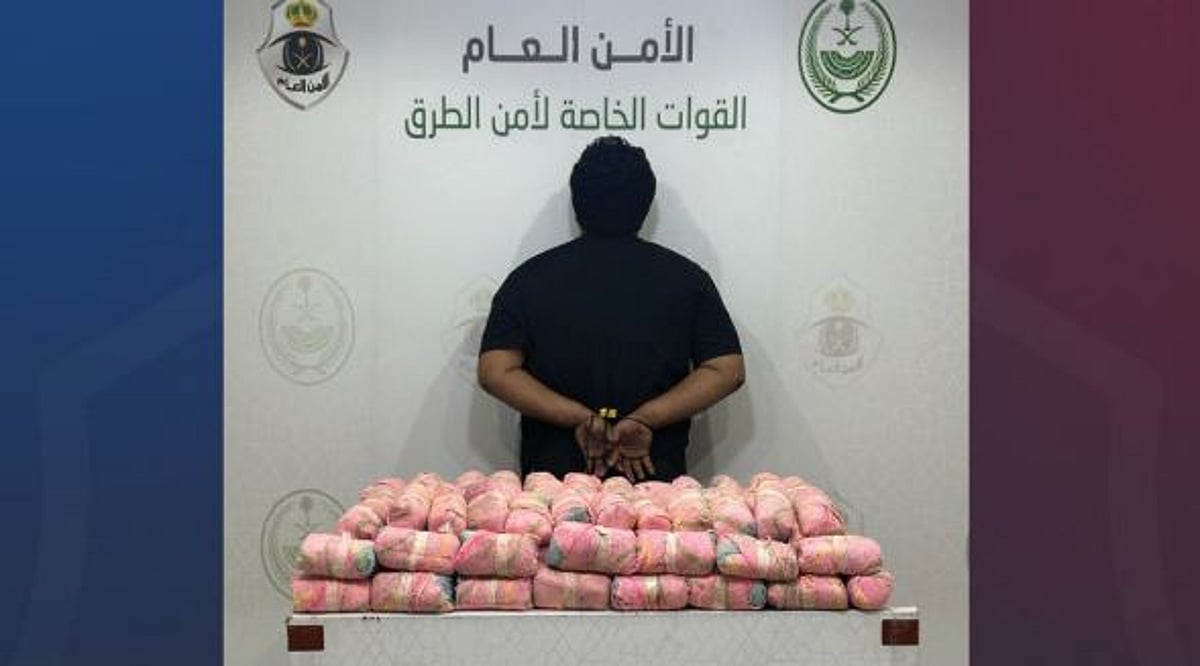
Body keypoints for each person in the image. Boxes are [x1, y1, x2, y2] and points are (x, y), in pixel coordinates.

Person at [477, 136, 745, 482]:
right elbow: (727, 370)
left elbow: (496, 371)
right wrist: (647, 417)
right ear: (646, 203)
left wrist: (578, 418)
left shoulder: (528, 279)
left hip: (552, 488)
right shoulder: (687, 279)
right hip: (653, 483)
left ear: (577, 202)